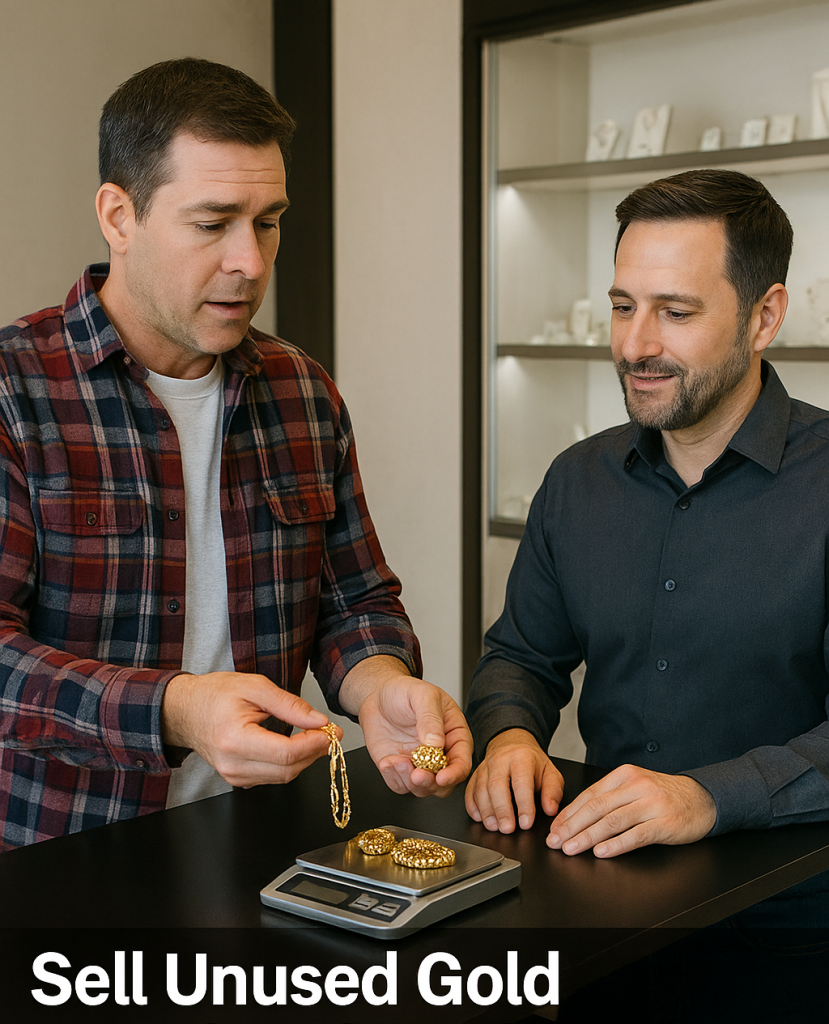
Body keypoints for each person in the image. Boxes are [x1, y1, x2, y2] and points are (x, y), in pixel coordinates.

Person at [0, 57, 471, 852]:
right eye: (212, 223)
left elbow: (354, 601)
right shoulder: (15, 391)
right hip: (63, 859)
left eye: (269, 220)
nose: (250, 261)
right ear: (119, 215)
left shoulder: (302, 391)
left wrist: (381, 686)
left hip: (260, 844)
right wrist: (176, 709)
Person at [465, 169, 829, 1020]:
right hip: (596, 911)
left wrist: (708, 795)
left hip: (788, 935)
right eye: (622, 305)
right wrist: (510, 736)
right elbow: (520, 654)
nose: (633, 344)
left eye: (675, 310)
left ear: (764, 315)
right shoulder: (576, 479)